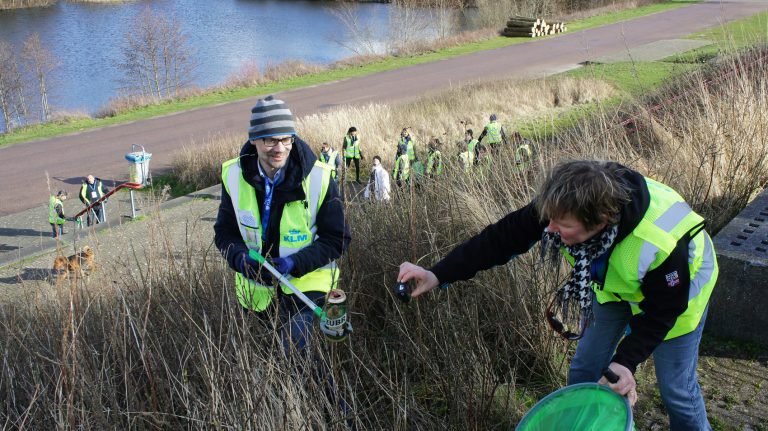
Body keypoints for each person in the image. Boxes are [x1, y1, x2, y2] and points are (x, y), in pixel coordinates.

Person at [398, 160, 717, 431]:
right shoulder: (564, 205)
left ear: (600, 222)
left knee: (676, 389)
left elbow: (664, 311)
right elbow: (501, 239)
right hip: (616, 286)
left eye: (561, 225)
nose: (548, 230)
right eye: (548, 220)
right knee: (584, 370)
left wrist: (626, 362)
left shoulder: (658, 242)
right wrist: (437, 274)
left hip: (681, 292)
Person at [214, 95, 351, 353]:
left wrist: (293, 263)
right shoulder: (232, 175)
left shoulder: (319, 177)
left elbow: (338, 239)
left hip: (307, 288)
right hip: (255, 294)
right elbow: (224, 233)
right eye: (269, 140)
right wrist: (240, 259)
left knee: (297, 354)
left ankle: (327, 395)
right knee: (262, 361)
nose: (279, 148)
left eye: (286, 138)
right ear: (253, 139)